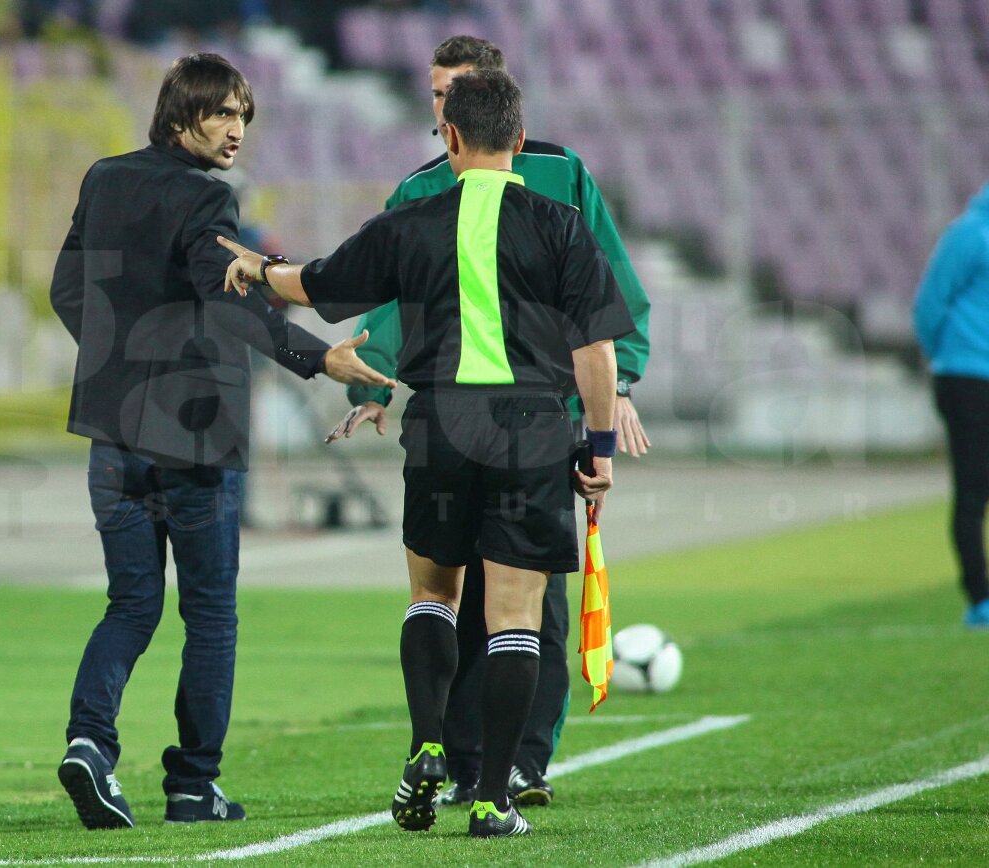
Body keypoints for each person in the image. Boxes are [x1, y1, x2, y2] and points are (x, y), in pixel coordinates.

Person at [216, 69, 634, 837]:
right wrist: (599, 446)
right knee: (514, 615)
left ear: (448, 138)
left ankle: (428, 746)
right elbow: (598, 352)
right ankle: (493, 799)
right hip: (530, 426)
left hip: (440, 423)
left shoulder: (413, 220)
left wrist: (257, 268)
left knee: (433, 597)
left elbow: (317, 284)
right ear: (517, 138)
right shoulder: (561, 224)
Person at [48, 53, 395, 830]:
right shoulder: (208, 198)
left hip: (115, 433)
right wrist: (322, 356)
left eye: (244, 114)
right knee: (208, 614)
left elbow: (65, 290)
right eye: (222, 113)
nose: (237, 129)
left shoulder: (104, 177)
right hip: (195, 435)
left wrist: (119, 365)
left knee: (132, 604)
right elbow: (232, 303)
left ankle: (89, 744)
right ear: (181, 115)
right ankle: (192, 785)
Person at [327, 34, 653, 807]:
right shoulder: (417, 193)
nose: (446, 105)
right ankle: (472, 768)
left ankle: (522, 764)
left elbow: (610, 293)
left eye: (459, 91)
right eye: (437, 92)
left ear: (498, 99)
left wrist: (618, 387)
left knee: (527, 604)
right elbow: (404, 300)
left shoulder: (563, 173)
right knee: (476, 601)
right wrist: (371, 384)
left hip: (548, 415)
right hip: (474, 418)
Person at [914, 182, 989, 629]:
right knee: (974, 487)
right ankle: (980, 597)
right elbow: (931, 304)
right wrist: (945, 357)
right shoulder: (970, 235)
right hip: (965, 378)